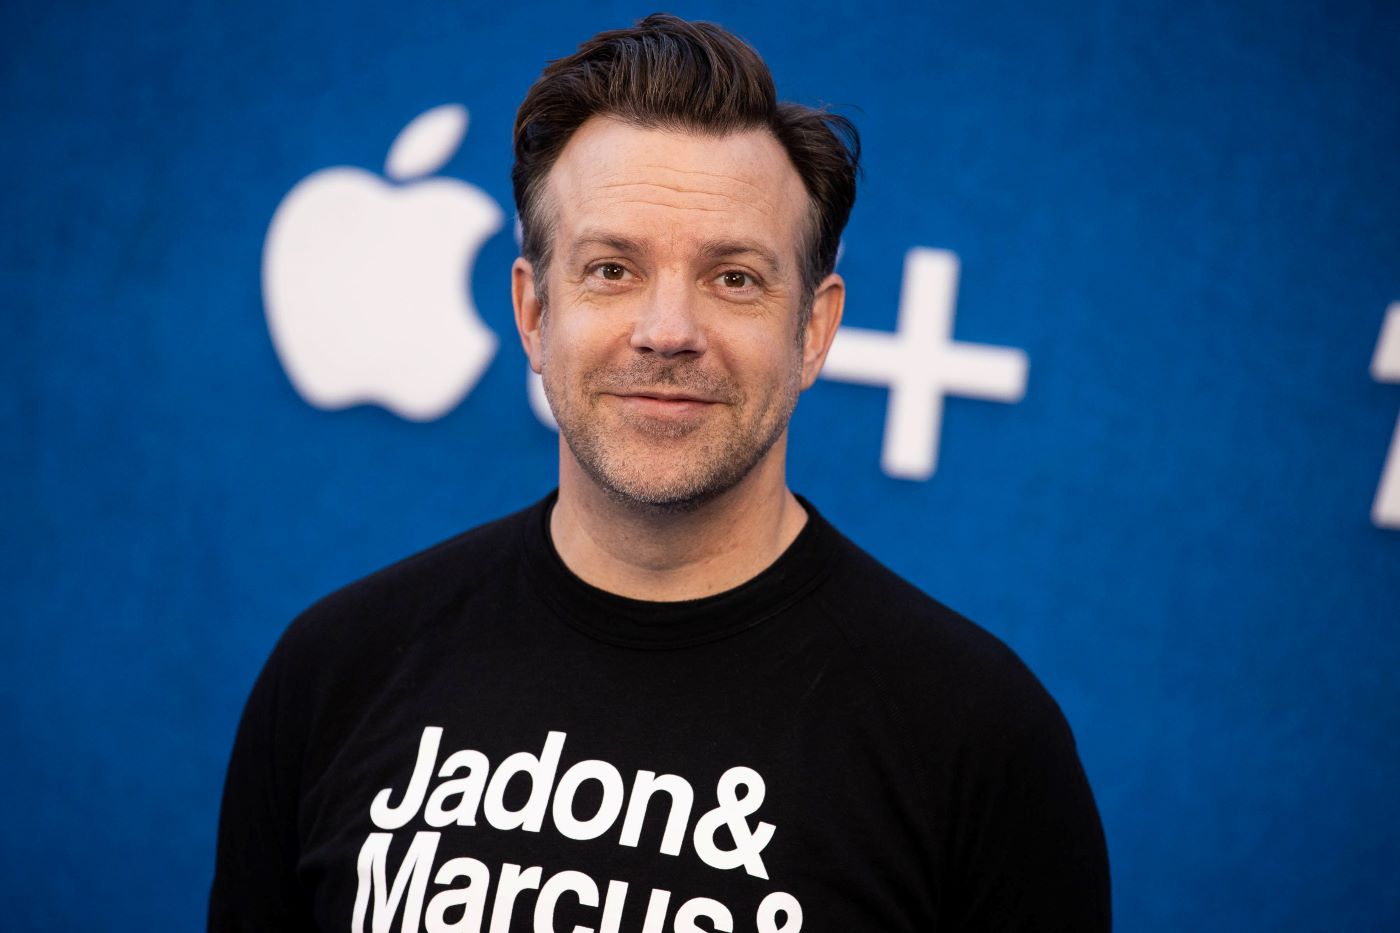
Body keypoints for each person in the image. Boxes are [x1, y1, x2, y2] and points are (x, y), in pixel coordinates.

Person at [210, 14, 1110, 932]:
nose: (669, 329)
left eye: (734, 279)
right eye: (611, 268)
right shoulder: (335, 671)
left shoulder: (979, 739)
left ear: (814, 329)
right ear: (532, 311)